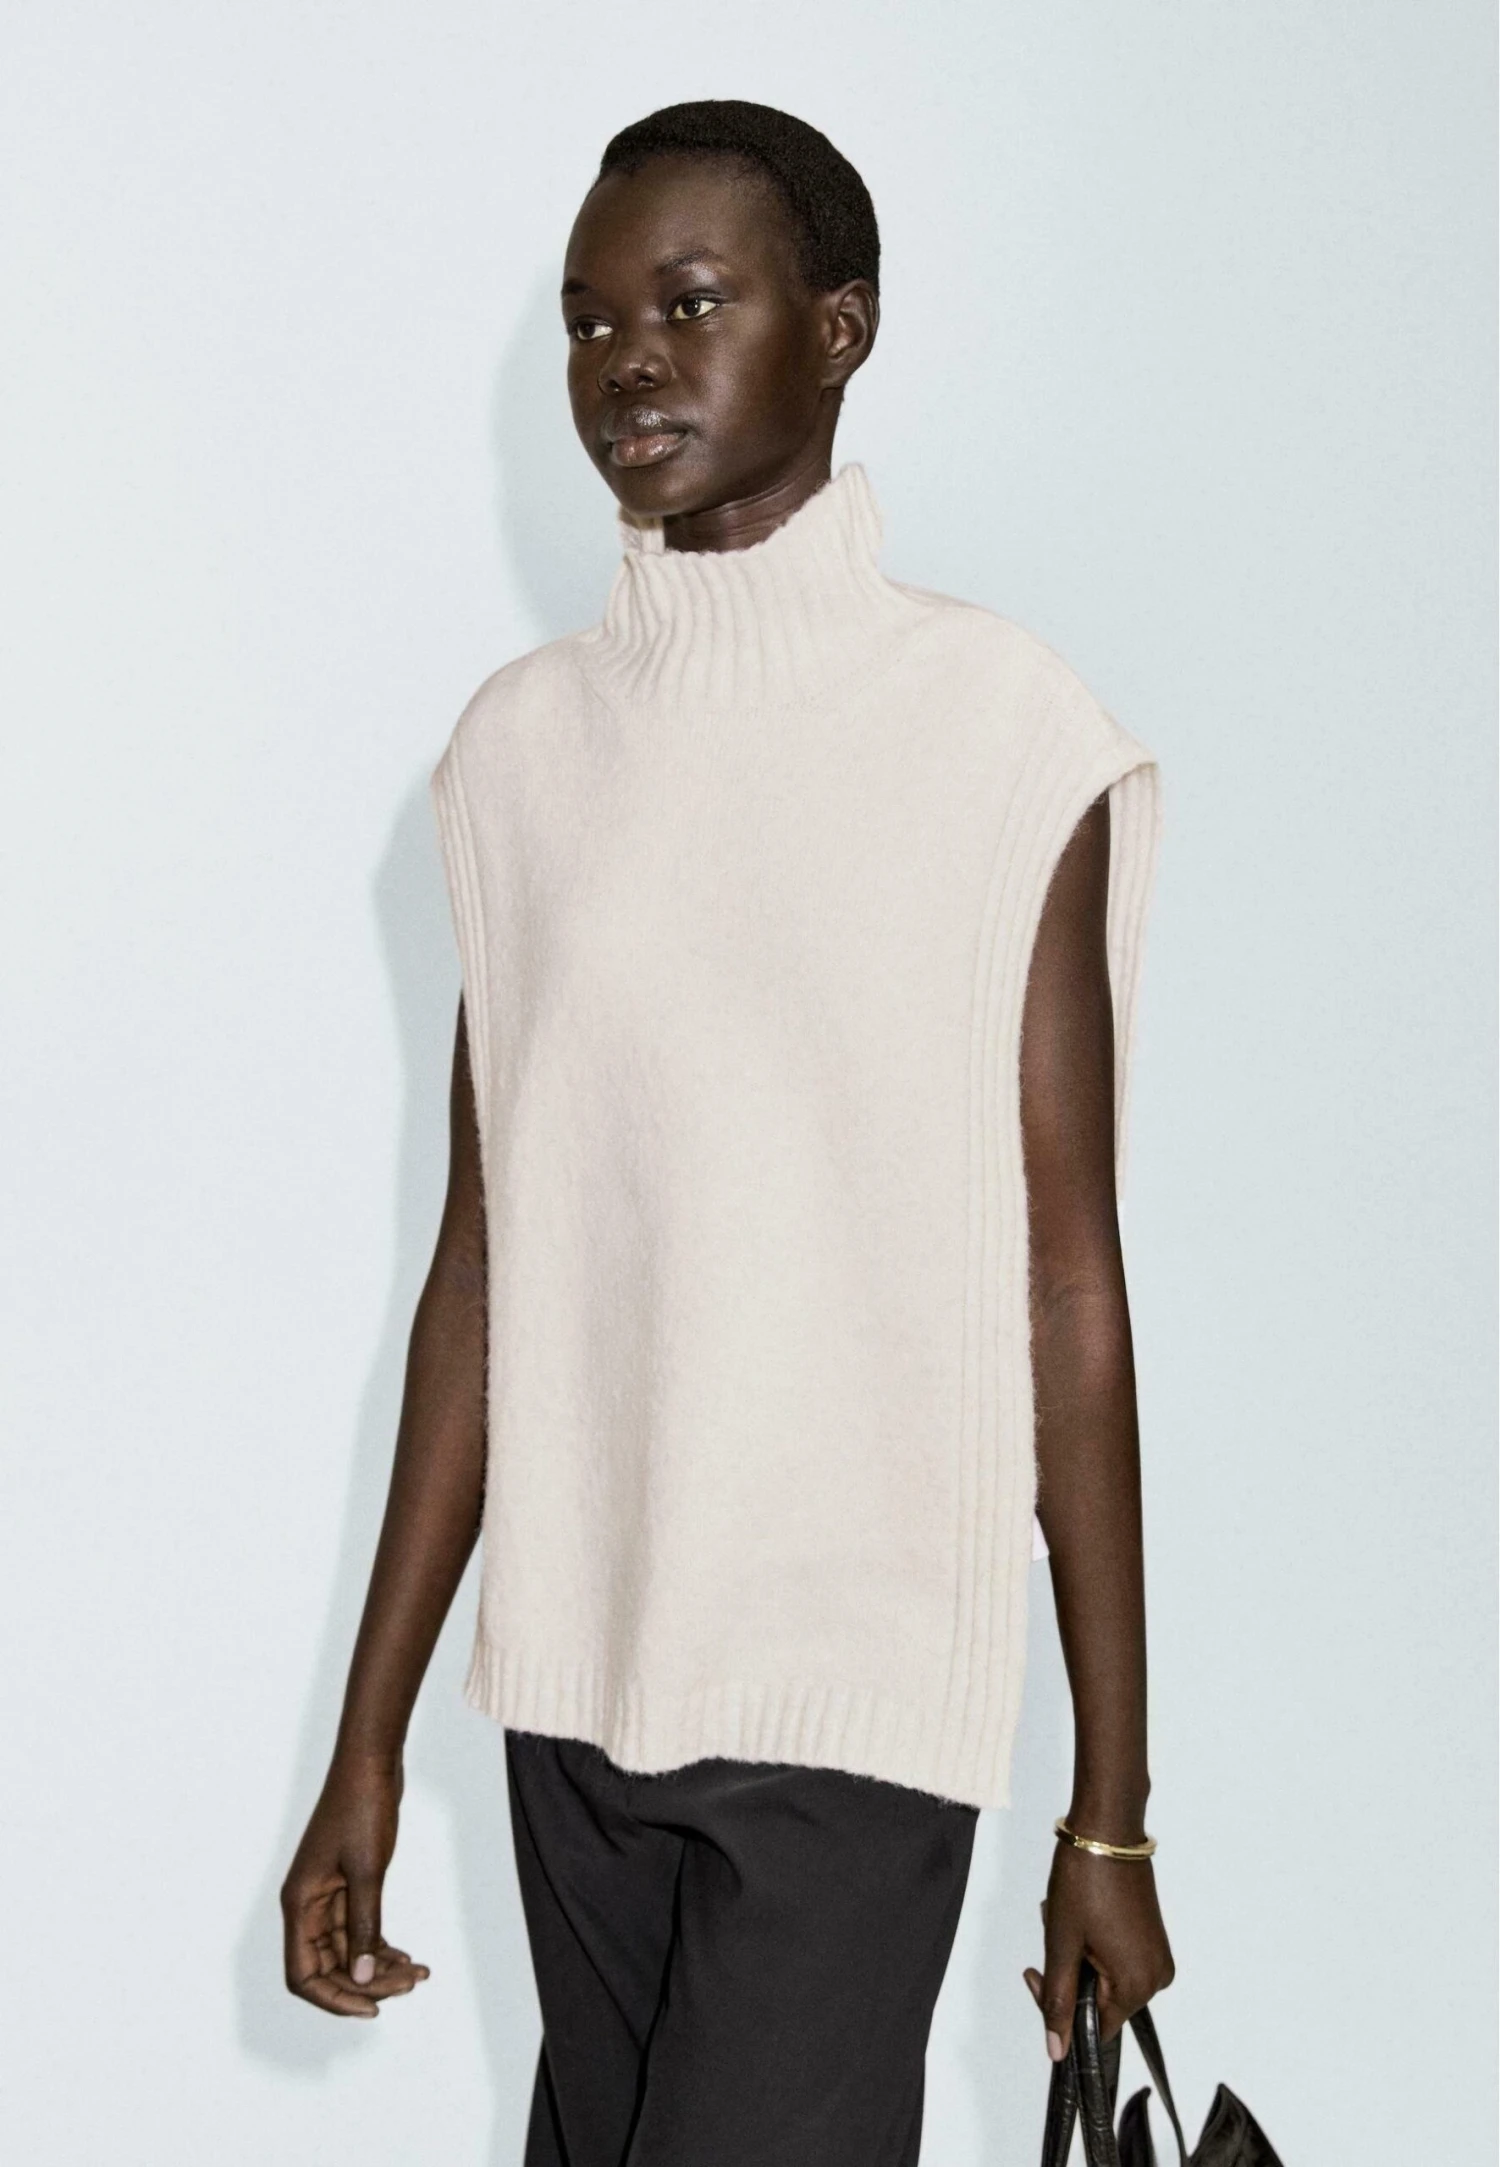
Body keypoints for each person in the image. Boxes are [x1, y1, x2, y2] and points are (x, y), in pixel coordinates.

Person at [281, 98, 1175, 2166]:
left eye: (692, 305)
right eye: (590, 322)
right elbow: (485, 1271)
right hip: (576, 1699)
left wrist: (1110, 1810)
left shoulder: (1002, 734)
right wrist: (367, 1743)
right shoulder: (517, 758)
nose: (630, 365)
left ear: (839, 328)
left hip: (851, 1708)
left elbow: (1067, 1288)